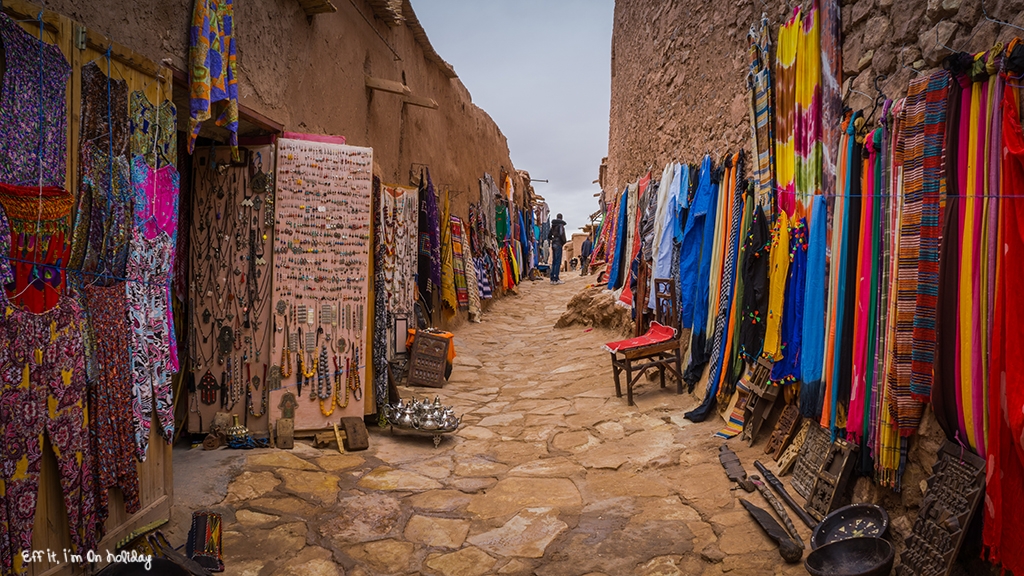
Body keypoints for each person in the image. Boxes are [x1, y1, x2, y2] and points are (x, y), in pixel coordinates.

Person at [548, 213, 567, 284]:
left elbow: (549, 236)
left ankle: (552, 278)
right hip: (558, 244)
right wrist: (563, 242)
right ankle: (556, 278)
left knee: (554, 261)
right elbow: (562, 234)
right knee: (558, 261)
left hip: (553, 244)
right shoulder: (561, 226)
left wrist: (553, 239)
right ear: (561, 218)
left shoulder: (553, 226)